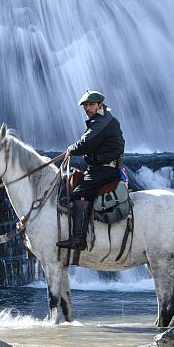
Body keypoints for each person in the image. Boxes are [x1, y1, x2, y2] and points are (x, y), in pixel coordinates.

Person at [56, 90, 125, 250]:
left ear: (99, 104)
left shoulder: (102, 122)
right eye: (85, 105)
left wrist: (71, 149)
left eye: (91, 105)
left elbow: (86, 144)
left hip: (105, 170)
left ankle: (78, 240)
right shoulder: (102, 119)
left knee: (79, 192)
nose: (87, 108)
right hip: (104, 167)